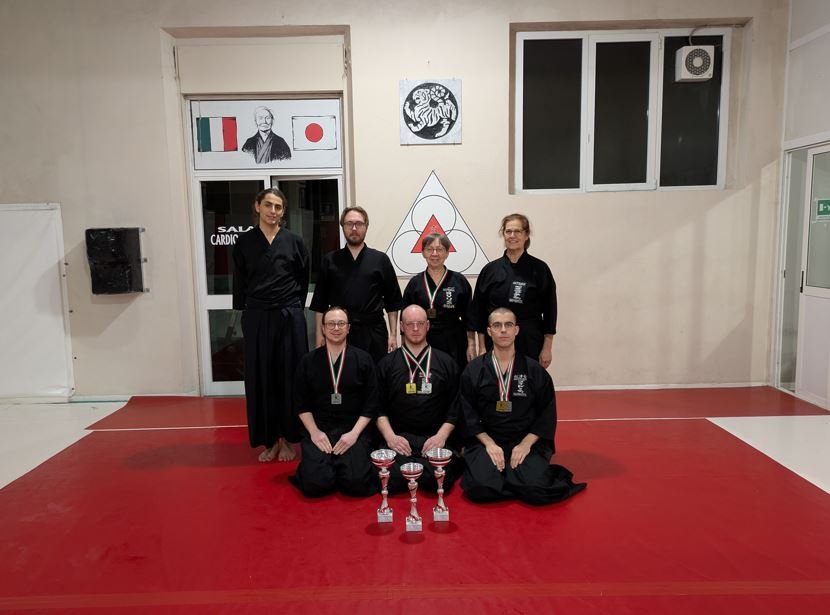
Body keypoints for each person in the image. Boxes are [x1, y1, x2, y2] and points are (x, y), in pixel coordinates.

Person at [459, 307, 586, 505]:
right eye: (497, 325)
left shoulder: (534, 370)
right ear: (489, 331)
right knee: (480, 489)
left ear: (516, 330)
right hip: (488, 439)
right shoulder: (474, 370)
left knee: (535, 488)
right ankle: (512, 479)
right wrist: (489, 444)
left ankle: (515, 478)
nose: (503, 330)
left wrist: (526, 444)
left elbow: (546, 413)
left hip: (525, 439)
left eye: (508, 325)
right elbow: (468, 413)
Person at [232, 188, 309, 462]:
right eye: (268, 205)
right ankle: (270, 439)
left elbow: (302, 279)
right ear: (257, 207)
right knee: (261, 377)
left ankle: (288, 438)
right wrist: (243, 313)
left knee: (290, 376)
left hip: (288, 314)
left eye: (278, 207)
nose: (273, 211)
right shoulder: (244, 242)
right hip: (258, 316)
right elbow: (240, 281)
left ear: (283, 211)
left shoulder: (294, 241)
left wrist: (294, 308)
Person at [290, 307, 379, 498]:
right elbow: (301, 403)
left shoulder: (364, 360)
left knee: (357, 484)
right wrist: (315, 433)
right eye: (331, 324)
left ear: (348, 328)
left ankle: (343, 466)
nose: (336, 328)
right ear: (323, 328)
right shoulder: (308, 361)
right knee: (315, 484)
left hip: (353, 428)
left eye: (341, 323)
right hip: (320, 427)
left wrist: (354, 434)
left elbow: (371, 404)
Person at [376, 305, 462, 494]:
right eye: (410, 324)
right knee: (392, 479)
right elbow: (378, 409)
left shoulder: (446, 363)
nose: (415, 328)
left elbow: (454, 408)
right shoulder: (386, 364)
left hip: (434, 437)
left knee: (436, 480)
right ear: (401, 326)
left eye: (420, 323)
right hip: (399, 438)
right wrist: (391, 438)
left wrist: (441, 436)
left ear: (428, 326)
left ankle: (418, 468)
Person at [310, 206, 403, 361]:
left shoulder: (380, 260)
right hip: (340, 331)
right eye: (349, 224)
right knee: (343, 373)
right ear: (342, 227)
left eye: (359, 224)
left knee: (375, 372)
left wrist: (393, 335)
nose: (354, 228)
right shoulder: (330, 260)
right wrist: (320, 337)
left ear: (366, 226)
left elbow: (393, 302)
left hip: (374, 331)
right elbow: (320, 304)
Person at [471, 214, 557, 369]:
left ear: (526, 235)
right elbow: (479, 311)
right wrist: (482, 347)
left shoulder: (539, 269)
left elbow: (550, 310)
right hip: (496, 338)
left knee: (528, 380)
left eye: (517, 231)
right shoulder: (490, 270)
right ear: (503, 234)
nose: (512, 236)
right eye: (508, 231)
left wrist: (547, 347)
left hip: (529, 339)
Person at [402, 233, 476, 368]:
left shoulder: (459, 281)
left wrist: (471, 344)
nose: (434, 254)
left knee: (454, 374)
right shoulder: (415, 283)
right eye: (430, 249)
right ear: (423, 253)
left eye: (440, 249)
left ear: (447, 253)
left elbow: (469, 316)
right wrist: (405, 345)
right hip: (424, 339)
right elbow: (405, 317)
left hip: (454, 340)